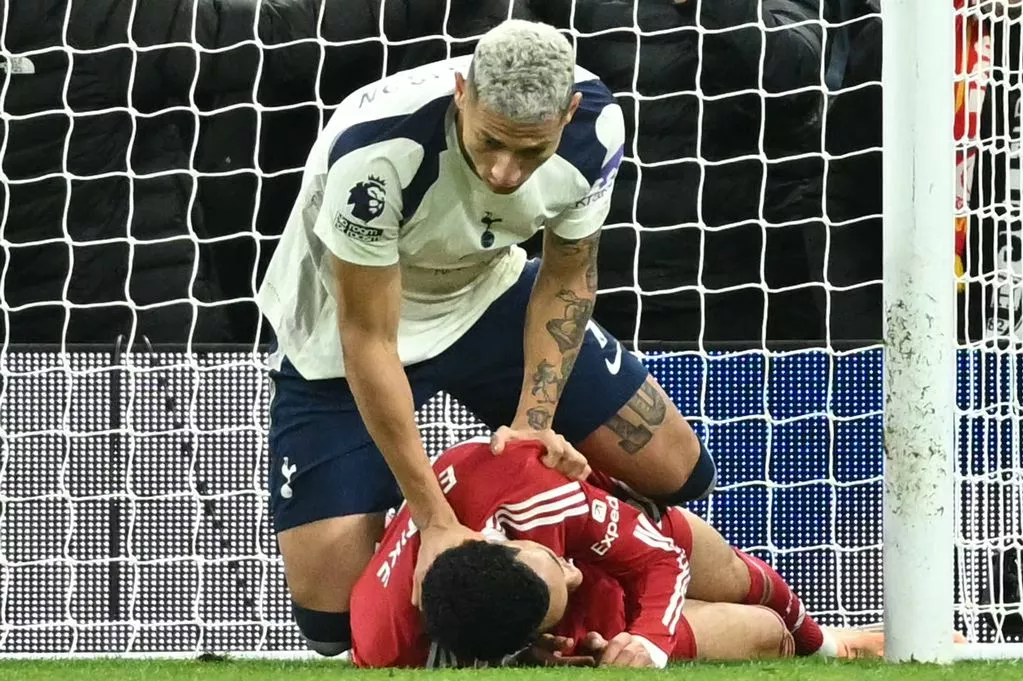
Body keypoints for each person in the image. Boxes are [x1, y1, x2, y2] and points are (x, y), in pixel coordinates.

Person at [256, 19, 718, 655]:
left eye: (531, 153)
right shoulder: (376, 153)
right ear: (461, 94)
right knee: (331, 622)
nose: (505, 173)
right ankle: (491, 580)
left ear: (569, 115)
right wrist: (437, 523)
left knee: (679, 470)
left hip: (486, 298)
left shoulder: (596, 132)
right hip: (339, 342)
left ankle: (603, 591)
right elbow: (369, 339)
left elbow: (566, 276)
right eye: (492, 143)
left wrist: (534, 429)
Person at [348, 437, 883, 668]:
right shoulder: (387, 644)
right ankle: (809, 644)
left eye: (553, 562)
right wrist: (543, 651)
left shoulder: (530, 488)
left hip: (606, 527)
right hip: (568, 633)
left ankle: (829, 646)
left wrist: (650, 643)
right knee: (764, 633)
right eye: (562, 574)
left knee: (718, 563)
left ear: (492, 538)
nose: (575, 577)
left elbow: (662, 559)